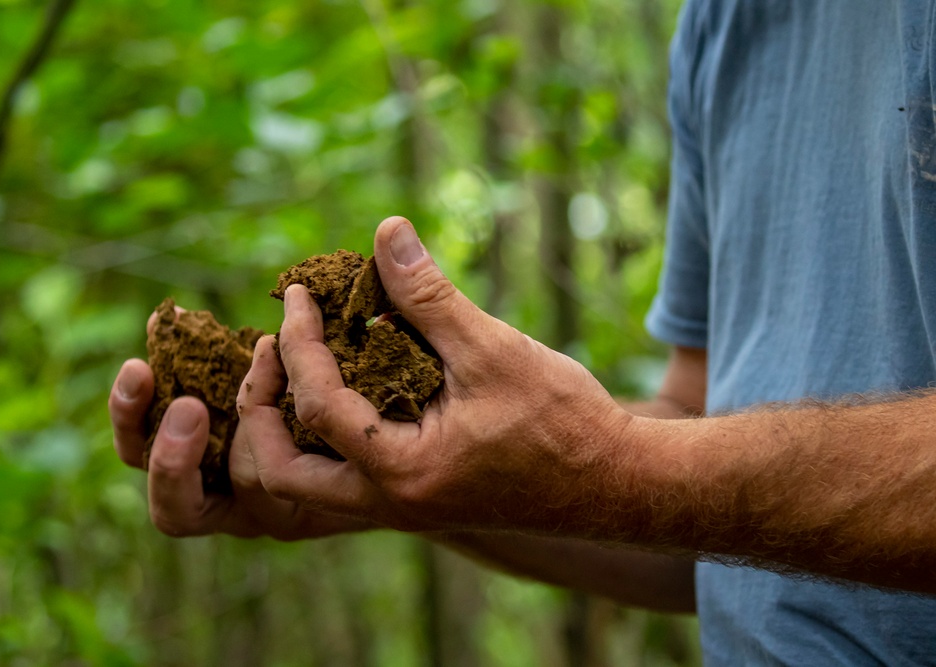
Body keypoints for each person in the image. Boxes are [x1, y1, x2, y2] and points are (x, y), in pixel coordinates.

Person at [110, 1, 936, 663]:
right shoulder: (728, 20)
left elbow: (648, 472)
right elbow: (702, 473)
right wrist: (385, 474)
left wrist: (606, 463)